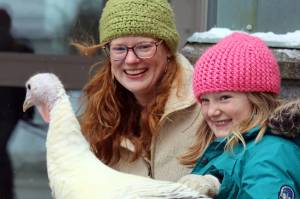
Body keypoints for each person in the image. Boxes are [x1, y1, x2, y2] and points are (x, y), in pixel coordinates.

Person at [77, 0, 204, 182]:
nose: (131, 60)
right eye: (119, 48)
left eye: (144, 47)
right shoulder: (101, 114)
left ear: (167, 48)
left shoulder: (205, 105)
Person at [180, 32, 300, 198]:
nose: (211, 111)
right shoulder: (231, 146)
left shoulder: (269, 156)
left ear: (257, 98)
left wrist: (222, 189)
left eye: (224, 97)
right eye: (205, 100)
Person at [0, 7, 34, 199]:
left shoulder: (18, 48)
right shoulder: (19, 48)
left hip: (7, 111)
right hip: (9, 111)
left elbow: (26, 85)